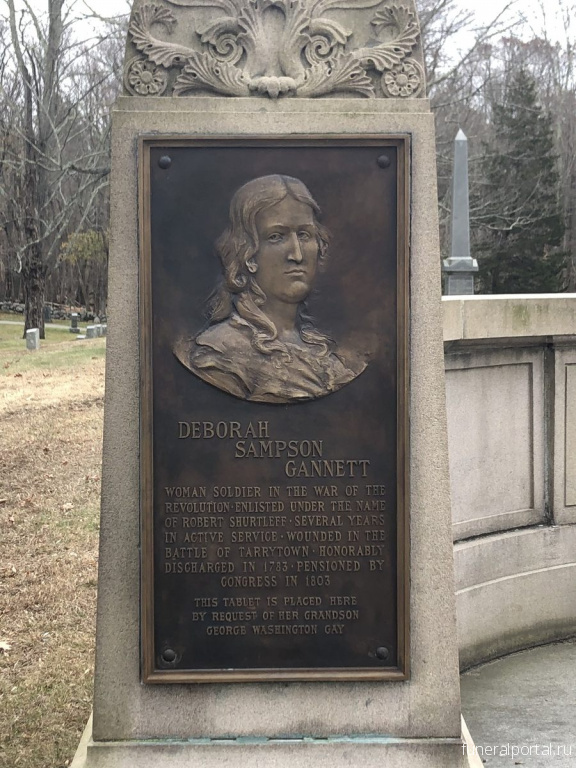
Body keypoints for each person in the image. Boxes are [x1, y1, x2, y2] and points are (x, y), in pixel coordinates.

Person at [174, 174, 366, 403]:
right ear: (247, 254)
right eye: (276, 237)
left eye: (304, 235)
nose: (296, 254)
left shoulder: (327, 359)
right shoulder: (222, 354)